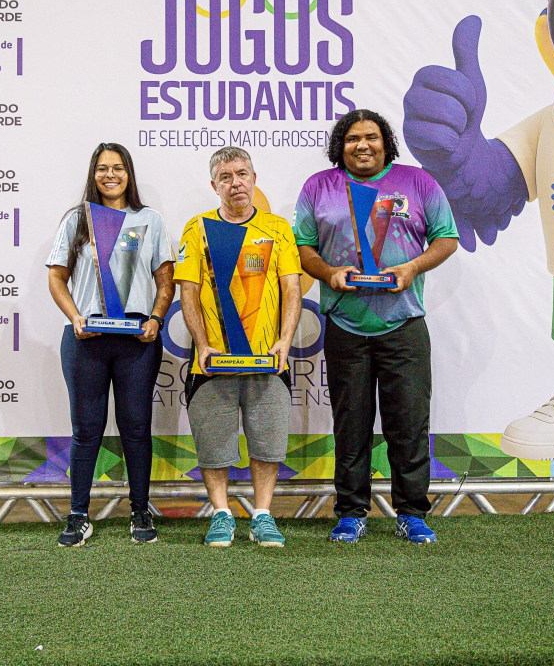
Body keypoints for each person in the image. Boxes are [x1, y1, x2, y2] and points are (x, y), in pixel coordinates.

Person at [294, 109, 459, 544]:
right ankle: (351, 513)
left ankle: (412, 513)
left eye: (371, 137)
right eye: (352, 139)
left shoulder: (418, 182)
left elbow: (446, 238)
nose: (362, 145)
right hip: (345, 324)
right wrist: (329, 273)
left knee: (409, 423)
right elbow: (304, 247)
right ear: (340, 146)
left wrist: (412, 267)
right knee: (351, 424)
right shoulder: (318, 187)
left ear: (385, 142)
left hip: (403, 323)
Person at [174, 146, 302, 548]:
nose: (235, 183)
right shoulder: (197, 228)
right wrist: (202, 344)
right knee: (214, 445)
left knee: (268, 443)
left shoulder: (278, 228)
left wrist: (284, 341)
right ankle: (221, 514)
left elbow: (292, 288)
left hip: (268, 360)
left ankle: (262, 515)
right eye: (225, 177)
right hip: (213, 363)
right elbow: (188, 292)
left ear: (254, 179)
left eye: (242, 174)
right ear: (215, 186)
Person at [47, 143, 174, 546]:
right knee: (86, 429)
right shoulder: (76, 220)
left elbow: (165, 280)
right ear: (93, 174)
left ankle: (140, 510)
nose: (110, 175)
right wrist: (75, 316)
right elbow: (56, 277)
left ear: (128, 173)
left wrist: (156, 319)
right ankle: (78, 515)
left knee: (136, 427)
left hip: (136, 338)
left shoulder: (149, 220)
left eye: (118, 168)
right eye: (102, 169)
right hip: (86, 338)